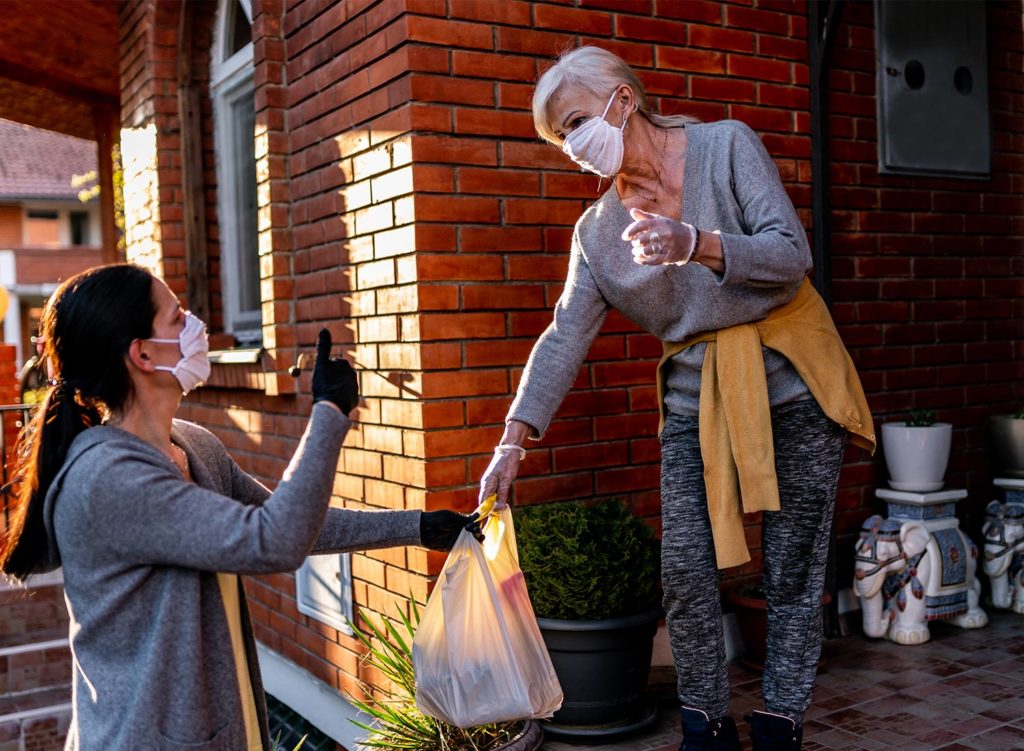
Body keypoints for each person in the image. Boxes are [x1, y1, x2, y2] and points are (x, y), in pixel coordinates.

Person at [478, 47, 874, 751]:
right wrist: (513, 436)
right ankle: (705, 727)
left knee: (791, 564)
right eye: (558, 139)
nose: (572, 148)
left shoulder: (726, 147)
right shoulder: (597, 233)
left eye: (574, 124)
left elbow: (790, 254)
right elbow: (564, 334)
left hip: (794, 376)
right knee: (686, 570)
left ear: (623, 102)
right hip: (696, 401)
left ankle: (782, 717)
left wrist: (696, 241)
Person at [0, 264, 479, 751]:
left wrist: (418, 527)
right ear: (142, 354)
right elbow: (274, 541)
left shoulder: (193, 445)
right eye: (177, 317)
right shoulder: (110, 479)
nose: (196, 328)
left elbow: (295, 523)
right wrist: (329, 415)